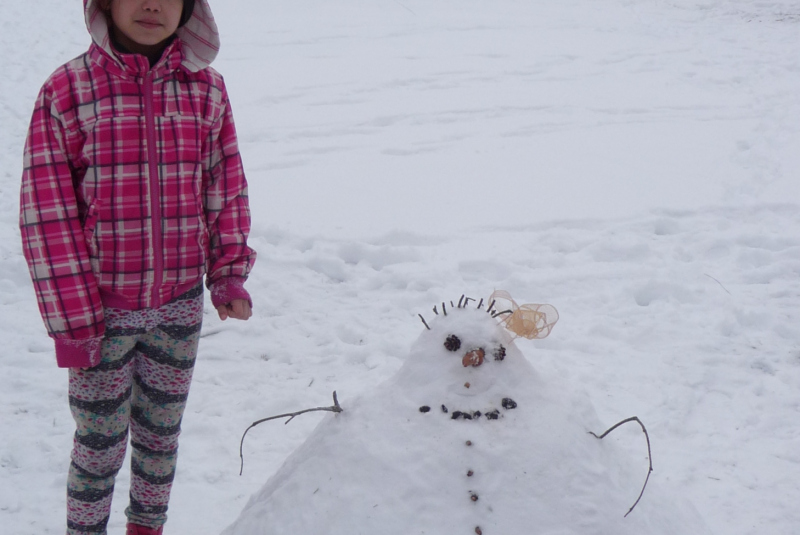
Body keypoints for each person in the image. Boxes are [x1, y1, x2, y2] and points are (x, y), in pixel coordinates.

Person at [19, 1, 256, 534]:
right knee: (99, 447)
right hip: (100, 315)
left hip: (178, 308)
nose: (152, 4)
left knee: (160, 437)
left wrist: (227, 273)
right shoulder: (67, 91)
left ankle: (147, 528)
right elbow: (46, 214)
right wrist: (75, 323)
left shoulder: (207, 90)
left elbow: (225, 187)